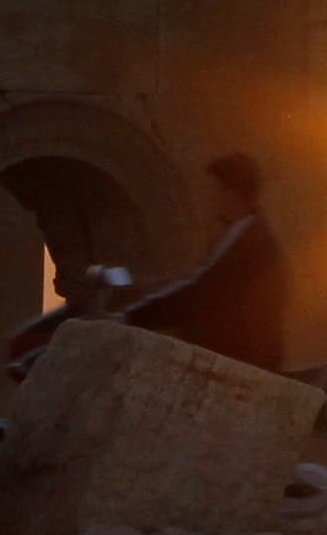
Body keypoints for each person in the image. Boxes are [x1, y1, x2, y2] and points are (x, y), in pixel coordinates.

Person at [123, 153, 288, 372]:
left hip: (235, 366)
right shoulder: (250, 234)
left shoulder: (248, 241)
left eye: (213, 191)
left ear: (232, 194)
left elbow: (200, 292)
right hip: (243, 363)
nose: (209, 199)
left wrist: (131, 316)